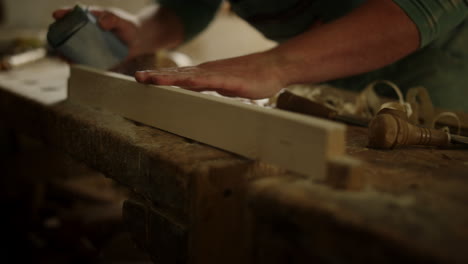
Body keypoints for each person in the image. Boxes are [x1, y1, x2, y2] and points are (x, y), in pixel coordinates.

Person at [53, 0, 468, 111]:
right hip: (321, 88)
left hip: (434, 92)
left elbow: (420, 6)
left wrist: (275, 65)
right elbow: (190, 6)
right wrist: (139, 33)